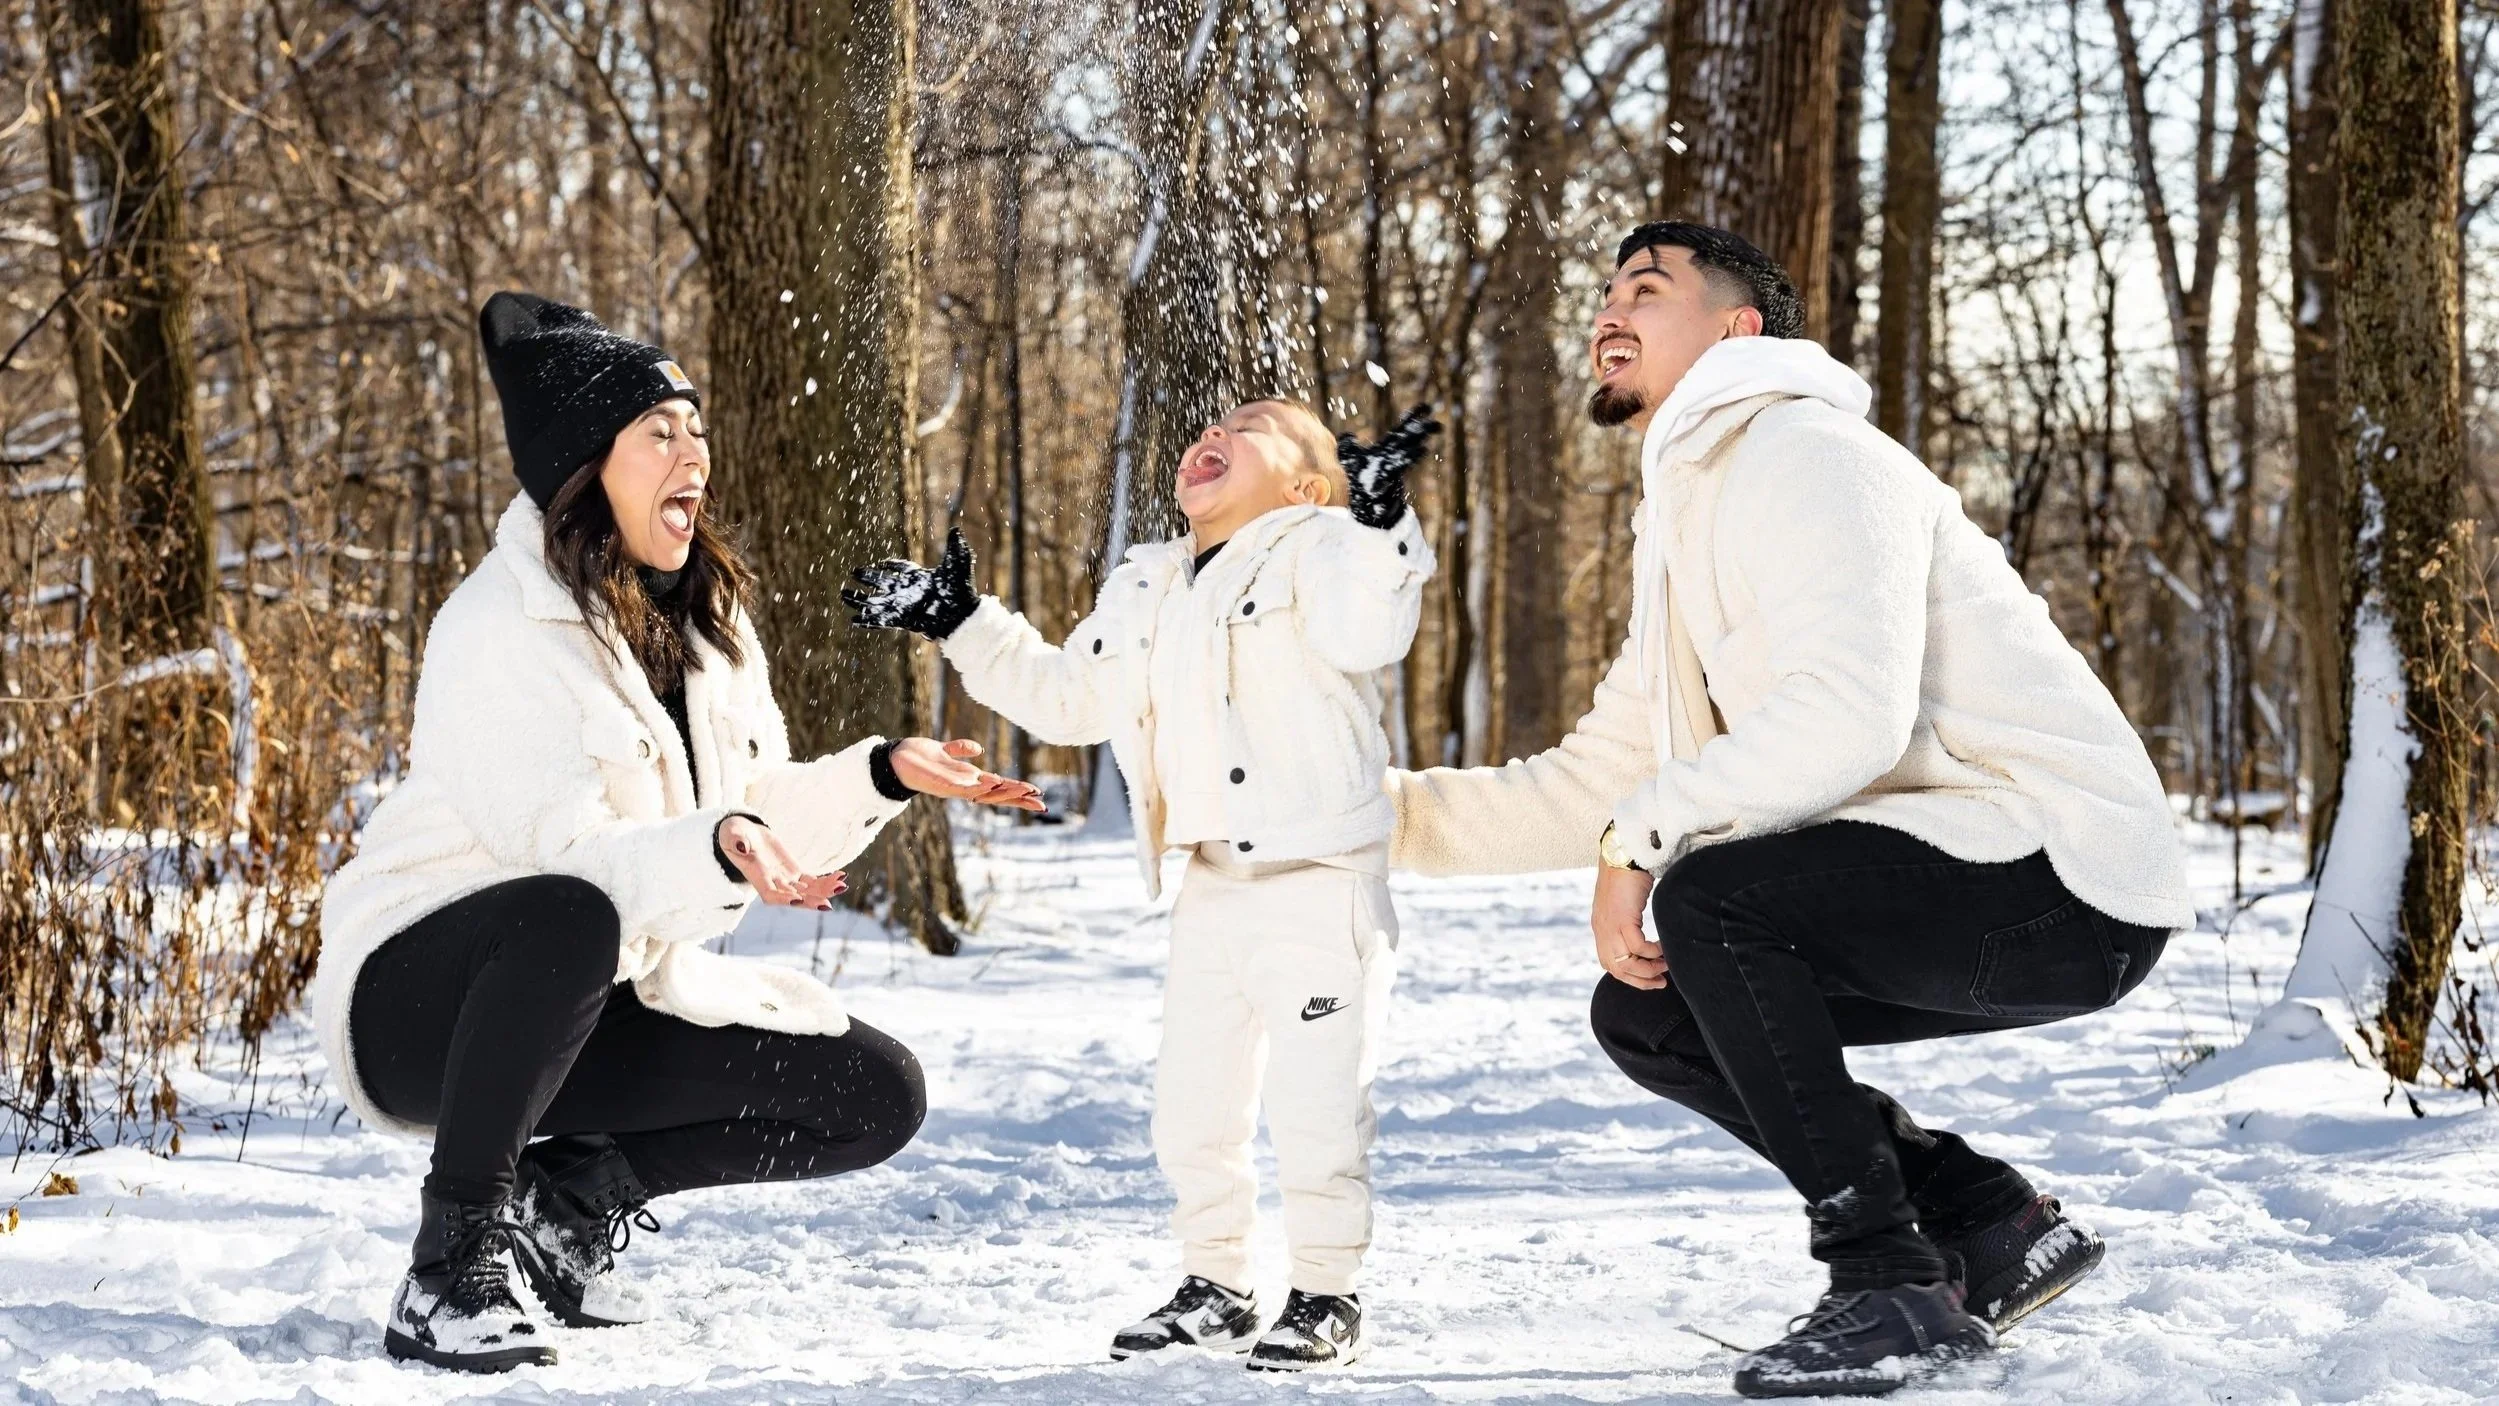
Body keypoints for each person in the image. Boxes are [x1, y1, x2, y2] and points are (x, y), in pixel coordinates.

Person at [1385, 224, 2192, 1399]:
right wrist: (1373, 819)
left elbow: (1846, 715)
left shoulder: (1807, 451)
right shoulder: (1691, 510)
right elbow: (1599, 775)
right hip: (1965, 879)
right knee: (1649, 1013)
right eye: (1606, 290)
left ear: (1736, 330)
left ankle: (1888, 1286)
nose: (1610, 308)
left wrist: (1641, 841)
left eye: (1647, 288)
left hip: (2064, 877)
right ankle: (1983, 1215)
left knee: (1716, 900)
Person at [311, 292, 1044, 1374]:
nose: (691, 449)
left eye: (696, 429)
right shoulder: (496, 629)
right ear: (585, 462)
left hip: (591, 992)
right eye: (659, 430)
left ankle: (576, 1198)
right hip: (422, 999)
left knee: (873, 1095)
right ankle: (449, 1262)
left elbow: (749, 809)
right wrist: (714, 847)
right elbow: (571, 855)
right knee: (568, 912)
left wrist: (882, 771)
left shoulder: (707, 626)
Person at [842, 400, 1439, 1371]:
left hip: (1320, 877)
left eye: (1253, 425)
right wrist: (961, 618)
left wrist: (1377, 525)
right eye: (1212, 421)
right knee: (1192, 1107)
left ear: (1304, 484)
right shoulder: (1151, 580)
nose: (1216, 427)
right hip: (1210, 880)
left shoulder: (1324, 547)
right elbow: (1072, 698)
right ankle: (1218, 1283)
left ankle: (1327, 1286)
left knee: (1317, 1101)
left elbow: (1369, 626)